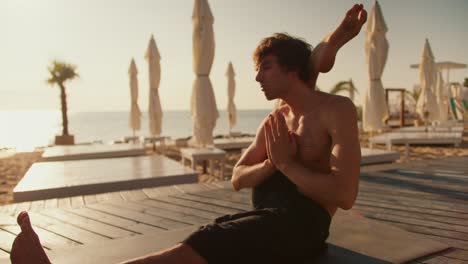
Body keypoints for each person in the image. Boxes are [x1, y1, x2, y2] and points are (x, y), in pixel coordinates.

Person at [10, 4, 366, 264]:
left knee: (191, 249)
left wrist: (287, 165)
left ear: (291, 71)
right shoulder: (276, 120)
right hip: (267, 219)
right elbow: (238, 178)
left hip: (301, 227)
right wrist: (271, 165)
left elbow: (345, 195)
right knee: (201, 245)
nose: (257, 79)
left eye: (266, 69)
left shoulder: (336, 111)